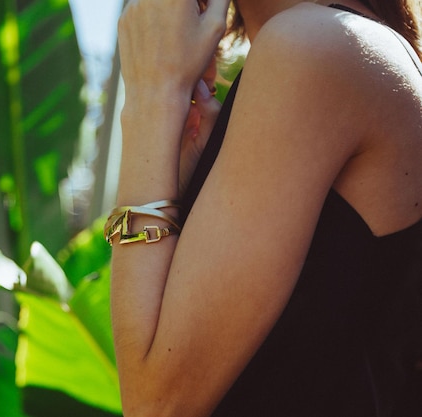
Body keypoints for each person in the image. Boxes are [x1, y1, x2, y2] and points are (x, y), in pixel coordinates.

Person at [106, 0, 422, 415]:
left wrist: (153, 95)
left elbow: (156, 404)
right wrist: (183, 169)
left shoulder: (316, 45)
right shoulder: (340, 47)